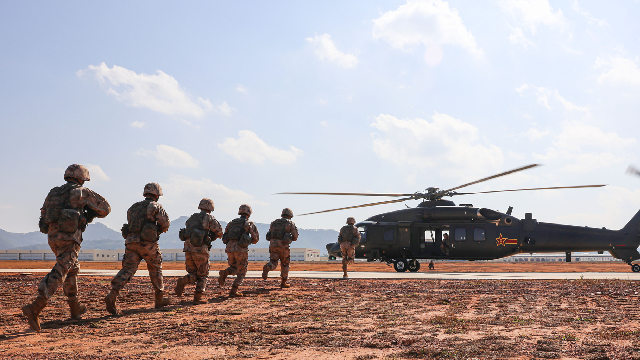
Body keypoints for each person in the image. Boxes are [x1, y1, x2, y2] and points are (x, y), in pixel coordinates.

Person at [22, 164, 111, 332]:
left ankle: (74, 307)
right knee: (62, 269)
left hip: (53, 237)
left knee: (72, 268)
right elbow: (105, 209)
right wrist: (89, 213)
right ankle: (36, 306)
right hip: (70, 238)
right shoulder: (81, 192)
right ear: (81, 178)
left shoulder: (54, 192)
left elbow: (44, 212)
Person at [104, 183, 171, 314]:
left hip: (131, 242)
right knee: (156, 269)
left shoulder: (133, 207)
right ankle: (159, 299)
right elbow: (165, 223)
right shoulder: (155, 206)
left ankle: (113, 293)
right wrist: (157, 230)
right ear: (156, 194)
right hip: (148, 244)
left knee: (128, 269)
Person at [174, 198, 223, 304]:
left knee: (193, 273)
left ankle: (184, 280)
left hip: (187, 247)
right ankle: (198, 297)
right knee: (203, 274)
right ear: (210, 207)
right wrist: (212, 235)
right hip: (200, 247)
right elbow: (219, 232)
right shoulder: (209, 217)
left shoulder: (192, 218)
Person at [218, 204, 259, 297]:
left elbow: (225, 237)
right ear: (249, 213)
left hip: (229, 248)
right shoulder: (249, 223)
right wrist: (248, 240)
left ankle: (225, 272)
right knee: (242, 271)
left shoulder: (231, 223)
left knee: (234, 268)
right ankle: (234, 290)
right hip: (241, 249)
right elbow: (255, 238)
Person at [262, 208, 299, 288]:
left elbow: (269, 234)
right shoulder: (290, 223)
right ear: (290, 215)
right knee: (285, 264)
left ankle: (268, 266)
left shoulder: (274, 223)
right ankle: (283, 282)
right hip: (283, 246)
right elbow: (295, 236)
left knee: (274, 262)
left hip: (273, 245)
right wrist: (290, 238)